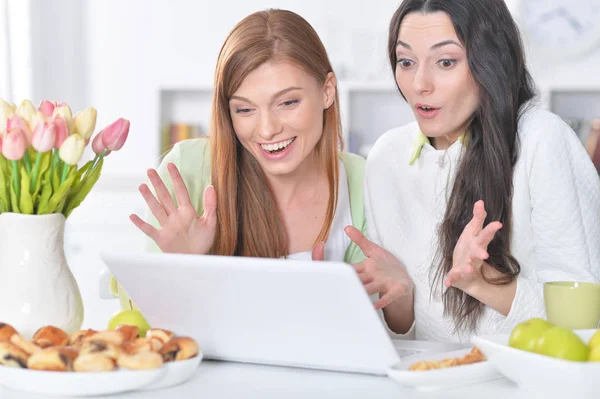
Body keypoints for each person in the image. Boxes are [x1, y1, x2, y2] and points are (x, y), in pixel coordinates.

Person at [350, 0, 600, 342]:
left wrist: (486, 284)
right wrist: (401, 298)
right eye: (406, 61)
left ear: (490, 63)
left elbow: (584, 327)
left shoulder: (541, 140)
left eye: (446, 62)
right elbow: (404, 345)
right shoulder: (386, 157)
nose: (419, 83)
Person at [114, 9, 368, 311]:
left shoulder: (361, 180)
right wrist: (181, 266)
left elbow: (384, 324)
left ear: (327, 92)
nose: (267, 129)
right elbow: (141, 326)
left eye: (288, 103)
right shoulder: (189, 169)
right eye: (245, 110)